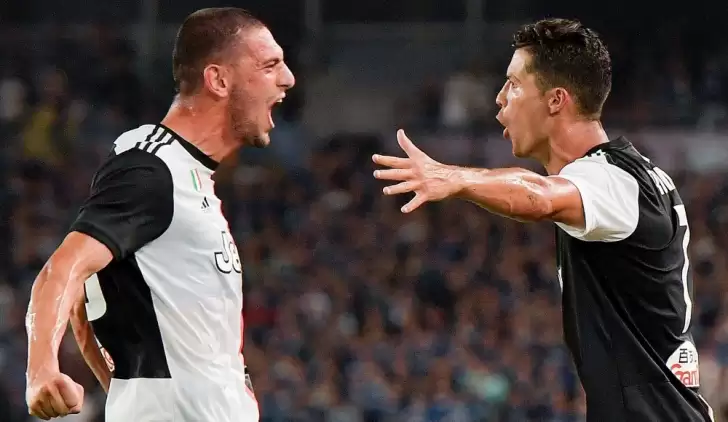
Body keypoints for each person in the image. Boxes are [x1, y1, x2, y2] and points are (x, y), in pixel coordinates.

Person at [373, 18, 714, 422]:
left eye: (513, 84)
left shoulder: (612, 179)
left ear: (555, 100)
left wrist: (455, 178)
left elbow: (540, 197)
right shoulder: (629, 175)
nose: (500, 98)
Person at [24, 7, 294, 421]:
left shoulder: (185, 174)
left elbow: (83, 299)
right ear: (218, 80)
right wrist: (41, 370)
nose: (287, 78)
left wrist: (121, 393)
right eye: (269, 65)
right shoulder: (151, 169)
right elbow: (62, 270)